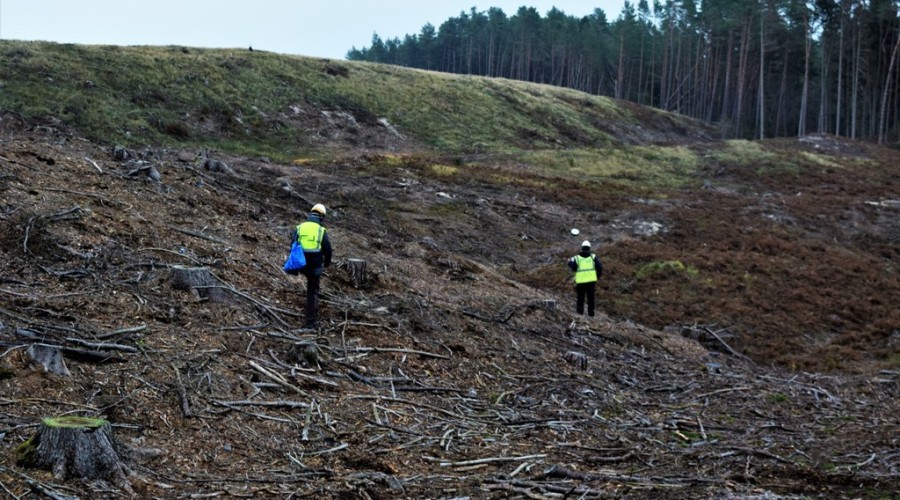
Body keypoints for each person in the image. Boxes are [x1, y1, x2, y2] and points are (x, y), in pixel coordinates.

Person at [291, 203, 333, 329]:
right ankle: (310, 321)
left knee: (310, 288)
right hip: (314, 265)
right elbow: (328, 249)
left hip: (301, 264)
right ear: (322, 216)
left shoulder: (300, 227)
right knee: (312, 291)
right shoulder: (321, 230)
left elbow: (293, 244)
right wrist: (326, 263)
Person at [567, 240, 602, 317]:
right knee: (591, 299)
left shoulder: (577, 258)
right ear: (589, 248)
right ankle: (591, 314)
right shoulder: (593, 257)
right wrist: (597, 277)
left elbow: (574, 268)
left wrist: (569, 263)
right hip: (591, 282)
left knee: (580, 298)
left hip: (580, 282)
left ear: (582, 248)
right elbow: (599, 267)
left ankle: (580, 314)